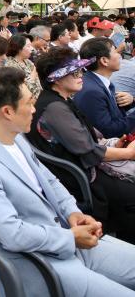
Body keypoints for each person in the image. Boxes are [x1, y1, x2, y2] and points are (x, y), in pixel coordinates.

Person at [0, 67, 135, 297]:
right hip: (41, 261)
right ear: (7, 111)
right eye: (29, 103)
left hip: (66, 238)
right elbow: (12, 233)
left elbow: (50, 180)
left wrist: (73, 213)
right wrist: (70, 237)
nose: (35, 109)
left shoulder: (15, 138)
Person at [30, 47, 135, 244]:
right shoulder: (55, 108)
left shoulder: (60, 101)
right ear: (57, 79)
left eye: (80, 71)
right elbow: (88, 149)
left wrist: (115, 145)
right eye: (74, 73)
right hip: (79, 178)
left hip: (82, 169)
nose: (81, 76)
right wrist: (127, 153)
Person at [74, 37, 135, 138]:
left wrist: (131, 101)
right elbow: (110, 132)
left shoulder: (97, 82)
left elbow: (112, 113)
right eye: (115, 52)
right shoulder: (92, 92)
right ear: (104, 61)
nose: (119, 55)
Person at [3, 33, 42, 98]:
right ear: (18, 48)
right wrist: (32, 77)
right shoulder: (10, 65)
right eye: (28, 46)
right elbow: (18, 89)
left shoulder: (28, 61)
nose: (32, 49)